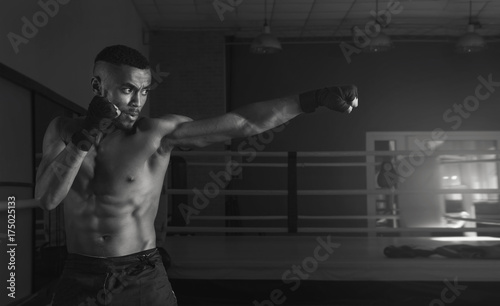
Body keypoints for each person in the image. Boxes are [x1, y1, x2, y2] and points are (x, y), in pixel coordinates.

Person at [34, 44, 359, 306]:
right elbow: (47, 199)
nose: (137, 102)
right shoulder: (63, 131)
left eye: (144, 91)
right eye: (128, 90)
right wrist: (86, 136)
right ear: (97, 86)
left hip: (141, 273)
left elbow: (243, 123)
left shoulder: (155, 135)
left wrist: (312, 100)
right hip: (80, 273)